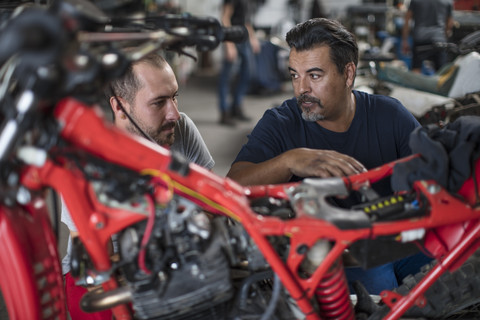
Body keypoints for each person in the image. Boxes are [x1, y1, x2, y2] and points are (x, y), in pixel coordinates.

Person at [226, 18, 431, 294]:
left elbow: (434, 180)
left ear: (348, 74)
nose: (301, 89)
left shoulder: (390, 115)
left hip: (399, 242)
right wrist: (288, 161)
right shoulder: (281, 122)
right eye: (294, 75)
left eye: (314, 75)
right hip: (336, 258)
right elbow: (233, 185)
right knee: (378, 295)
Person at [61, 52, 215, 319]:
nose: (174, 113)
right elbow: (96, 258)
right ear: (120, 107)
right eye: (159, 103)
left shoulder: (182, 129)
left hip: (172, 255)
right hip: (104, 269)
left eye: (174, 96)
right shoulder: (85, 160)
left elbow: (212, 204)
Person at [217, 0, 260, 126]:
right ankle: (224, 112)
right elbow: (225, 17)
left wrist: (253, 38)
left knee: (248, 72)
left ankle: (236, 107)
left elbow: (246, 21)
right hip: (232, 37)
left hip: (244, 38)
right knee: (227, 76)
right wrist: (229, 45)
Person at [401, 0, 454, 73]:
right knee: (441, 72)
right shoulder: (447, 1)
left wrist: (405, 40)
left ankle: (416, 84)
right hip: (439, 39)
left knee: (416, 69)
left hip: (420, 38)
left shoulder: (415, 1)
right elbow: (450, 23)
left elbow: (407, 19)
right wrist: (445, 37)